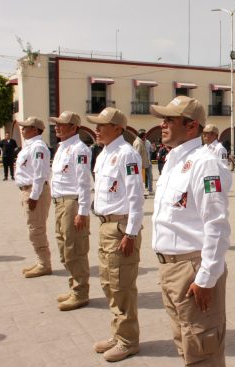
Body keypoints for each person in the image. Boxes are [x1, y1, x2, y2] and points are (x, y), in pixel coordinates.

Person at [150, 96, 231, 366]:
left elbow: (216, 224)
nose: (162, 125)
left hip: (192, 268)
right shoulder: (174, 161)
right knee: (185, 344)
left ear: (192, 125)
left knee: (202, 347)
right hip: (171, 269)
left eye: (169, 120)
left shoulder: (204, 163)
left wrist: (206, 278)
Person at [87, 107, 144, 362]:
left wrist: (130, 234)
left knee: (122, 286)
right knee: (109, 283)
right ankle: (118, 333)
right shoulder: (104, 154)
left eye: (102, 125)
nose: (97, 129)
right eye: (96, 125)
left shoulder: (127, 154)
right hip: (105, 225)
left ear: (118, 128)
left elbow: (135, 196)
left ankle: (128, 340)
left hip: (120, 228)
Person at [49, 111, 92, 311]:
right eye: (56, 124)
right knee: (63, 247)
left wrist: (82, 211)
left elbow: (83, 182)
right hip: (59, 202)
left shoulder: (79, 149)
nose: (57, 127)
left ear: (74, 127)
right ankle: (74, 285)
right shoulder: (62, 147)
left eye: (61, 124)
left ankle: (80, 292)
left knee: (74, 249)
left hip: (71, 203)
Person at [14, 117, 52, 278]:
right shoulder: (30, 146)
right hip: (28, 190)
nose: (22, 130)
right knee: (34, 228)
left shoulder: (38, 147)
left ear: (35, 129)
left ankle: (44, 264)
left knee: (36, 229)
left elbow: (40, 174)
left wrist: (34, 196)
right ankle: (40, 260)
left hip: (34, 191)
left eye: (26, 127)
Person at [133, 129, 153, 195]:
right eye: (145, 135)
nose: (146, 136)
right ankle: (141, 192)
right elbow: (137, 155)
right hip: (141, 165)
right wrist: (138, 166)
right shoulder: (138, 143)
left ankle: (148, 190)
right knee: (141, 179)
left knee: (147, 177)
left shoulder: (142, 142)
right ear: (143, 136)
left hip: (145, 163)